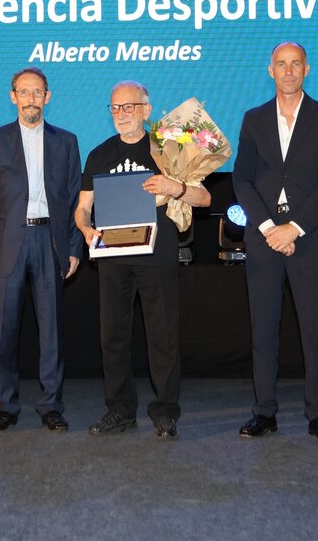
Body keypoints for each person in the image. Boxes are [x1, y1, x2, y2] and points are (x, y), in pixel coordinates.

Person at [75, 81, 211, 438]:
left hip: (157, 255)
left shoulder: (170, 146)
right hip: (112, 257)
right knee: (113, 337)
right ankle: (119, 410)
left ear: (146, 110)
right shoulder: (99, 154)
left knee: (163, 337)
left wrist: (173, 187)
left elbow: (205, 199)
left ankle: (165, 411)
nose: (121, 114)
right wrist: (86, 229)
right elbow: (83, 208)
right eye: (115, 108)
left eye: (129, 106)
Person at [232, 42, 318, 442]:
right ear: (271, 71)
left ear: (306, 69)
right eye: (281, 64)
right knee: (263, 329)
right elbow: (241, 179)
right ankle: (264, 412)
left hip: (308, 239)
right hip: (263, 239)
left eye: (296, 64)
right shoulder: (253, 119)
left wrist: (293, 228)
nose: (289, 70)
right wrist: (269, 228)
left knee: (315, 330)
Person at [0, 67, 82, 433]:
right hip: (8, 244)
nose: (31, 99)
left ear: (47, 97)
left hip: (51, 242)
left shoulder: (66, 141)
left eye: (37, 92)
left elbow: (73, 200)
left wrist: (74, 247)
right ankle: (5, 406)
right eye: (24, 92)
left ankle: (51, 405)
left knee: (51, 331)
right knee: (5, 331)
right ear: (13, 97)